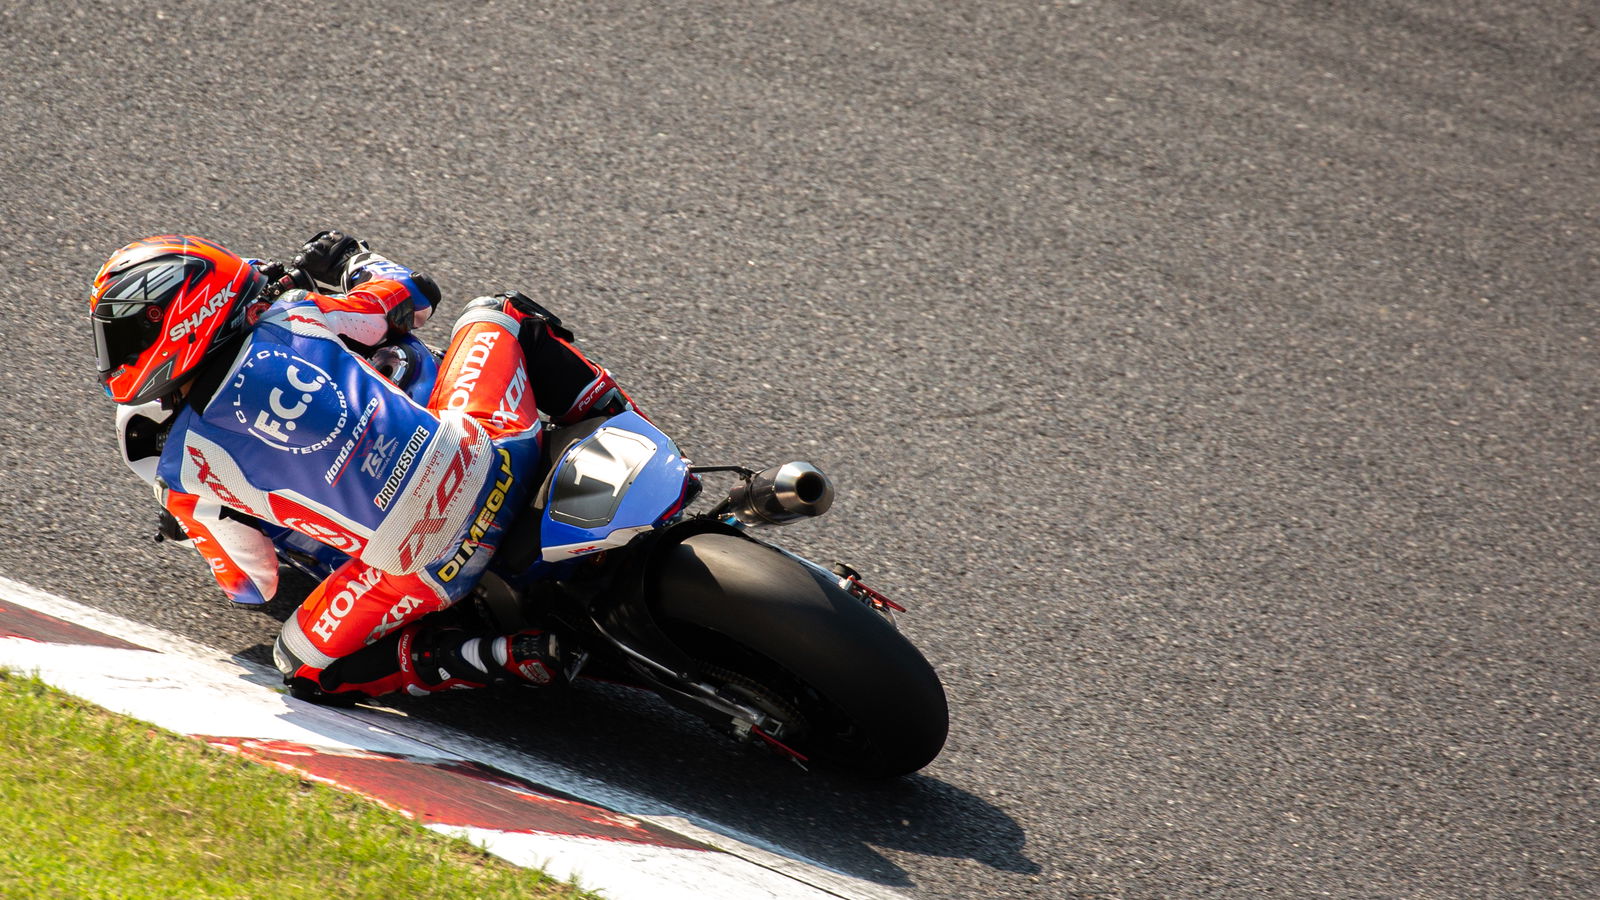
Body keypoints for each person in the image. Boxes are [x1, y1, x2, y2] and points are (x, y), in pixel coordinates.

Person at [91, 232, 640, 701]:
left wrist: (189, 525)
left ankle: (497, 654)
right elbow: (415, 295)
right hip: (494, 455)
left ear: (183, 314)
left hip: (426, 569)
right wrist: (354, 260)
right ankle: (623, 424)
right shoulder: (298, 313)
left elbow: (252, 585)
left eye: (126, 334)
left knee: (303, 668)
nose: (116, 355)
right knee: (500, 313)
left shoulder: (183, 468)